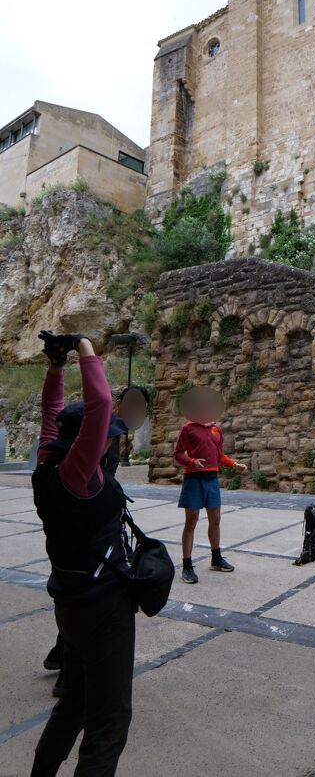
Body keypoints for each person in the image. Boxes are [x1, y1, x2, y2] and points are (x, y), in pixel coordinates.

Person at [30, 331, 136, 777]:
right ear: (91, 441)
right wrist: (85, 348)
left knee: (72, 704)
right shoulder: (77, 471)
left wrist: (56, 369)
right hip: (102, 606)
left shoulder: (47, 465)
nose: (110, 439)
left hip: (69, 601)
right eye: (105, 435)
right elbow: (96, 409)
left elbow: (53, 416)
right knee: (108, 723)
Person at [174, 387, 247, 583]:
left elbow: (219, 455)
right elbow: (178, 454)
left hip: (211, 479)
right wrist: (191, 462)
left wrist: (234, 464)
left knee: (215, 520)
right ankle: (187, 565)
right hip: (193, 480)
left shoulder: (217, 429)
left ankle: (216, 558)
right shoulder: (187, 428)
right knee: (191, 522)